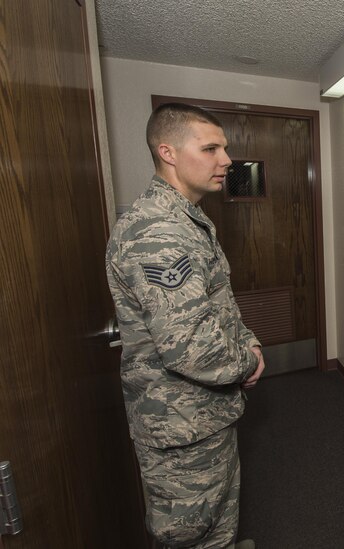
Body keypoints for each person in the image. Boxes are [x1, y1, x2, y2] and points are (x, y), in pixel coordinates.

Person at [106, 103, 264, 549]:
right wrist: (246, 359)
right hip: (179, 422)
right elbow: (191, 347)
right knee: (188, 533)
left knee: (217, 520)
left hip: (204, 415)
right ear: (168, 152)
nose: (227, 160)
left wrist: (248, 341)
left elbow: (218, 305)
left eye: (225, 148)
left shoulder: (187, 219)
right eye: (210, 148)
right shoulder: (159, 231)